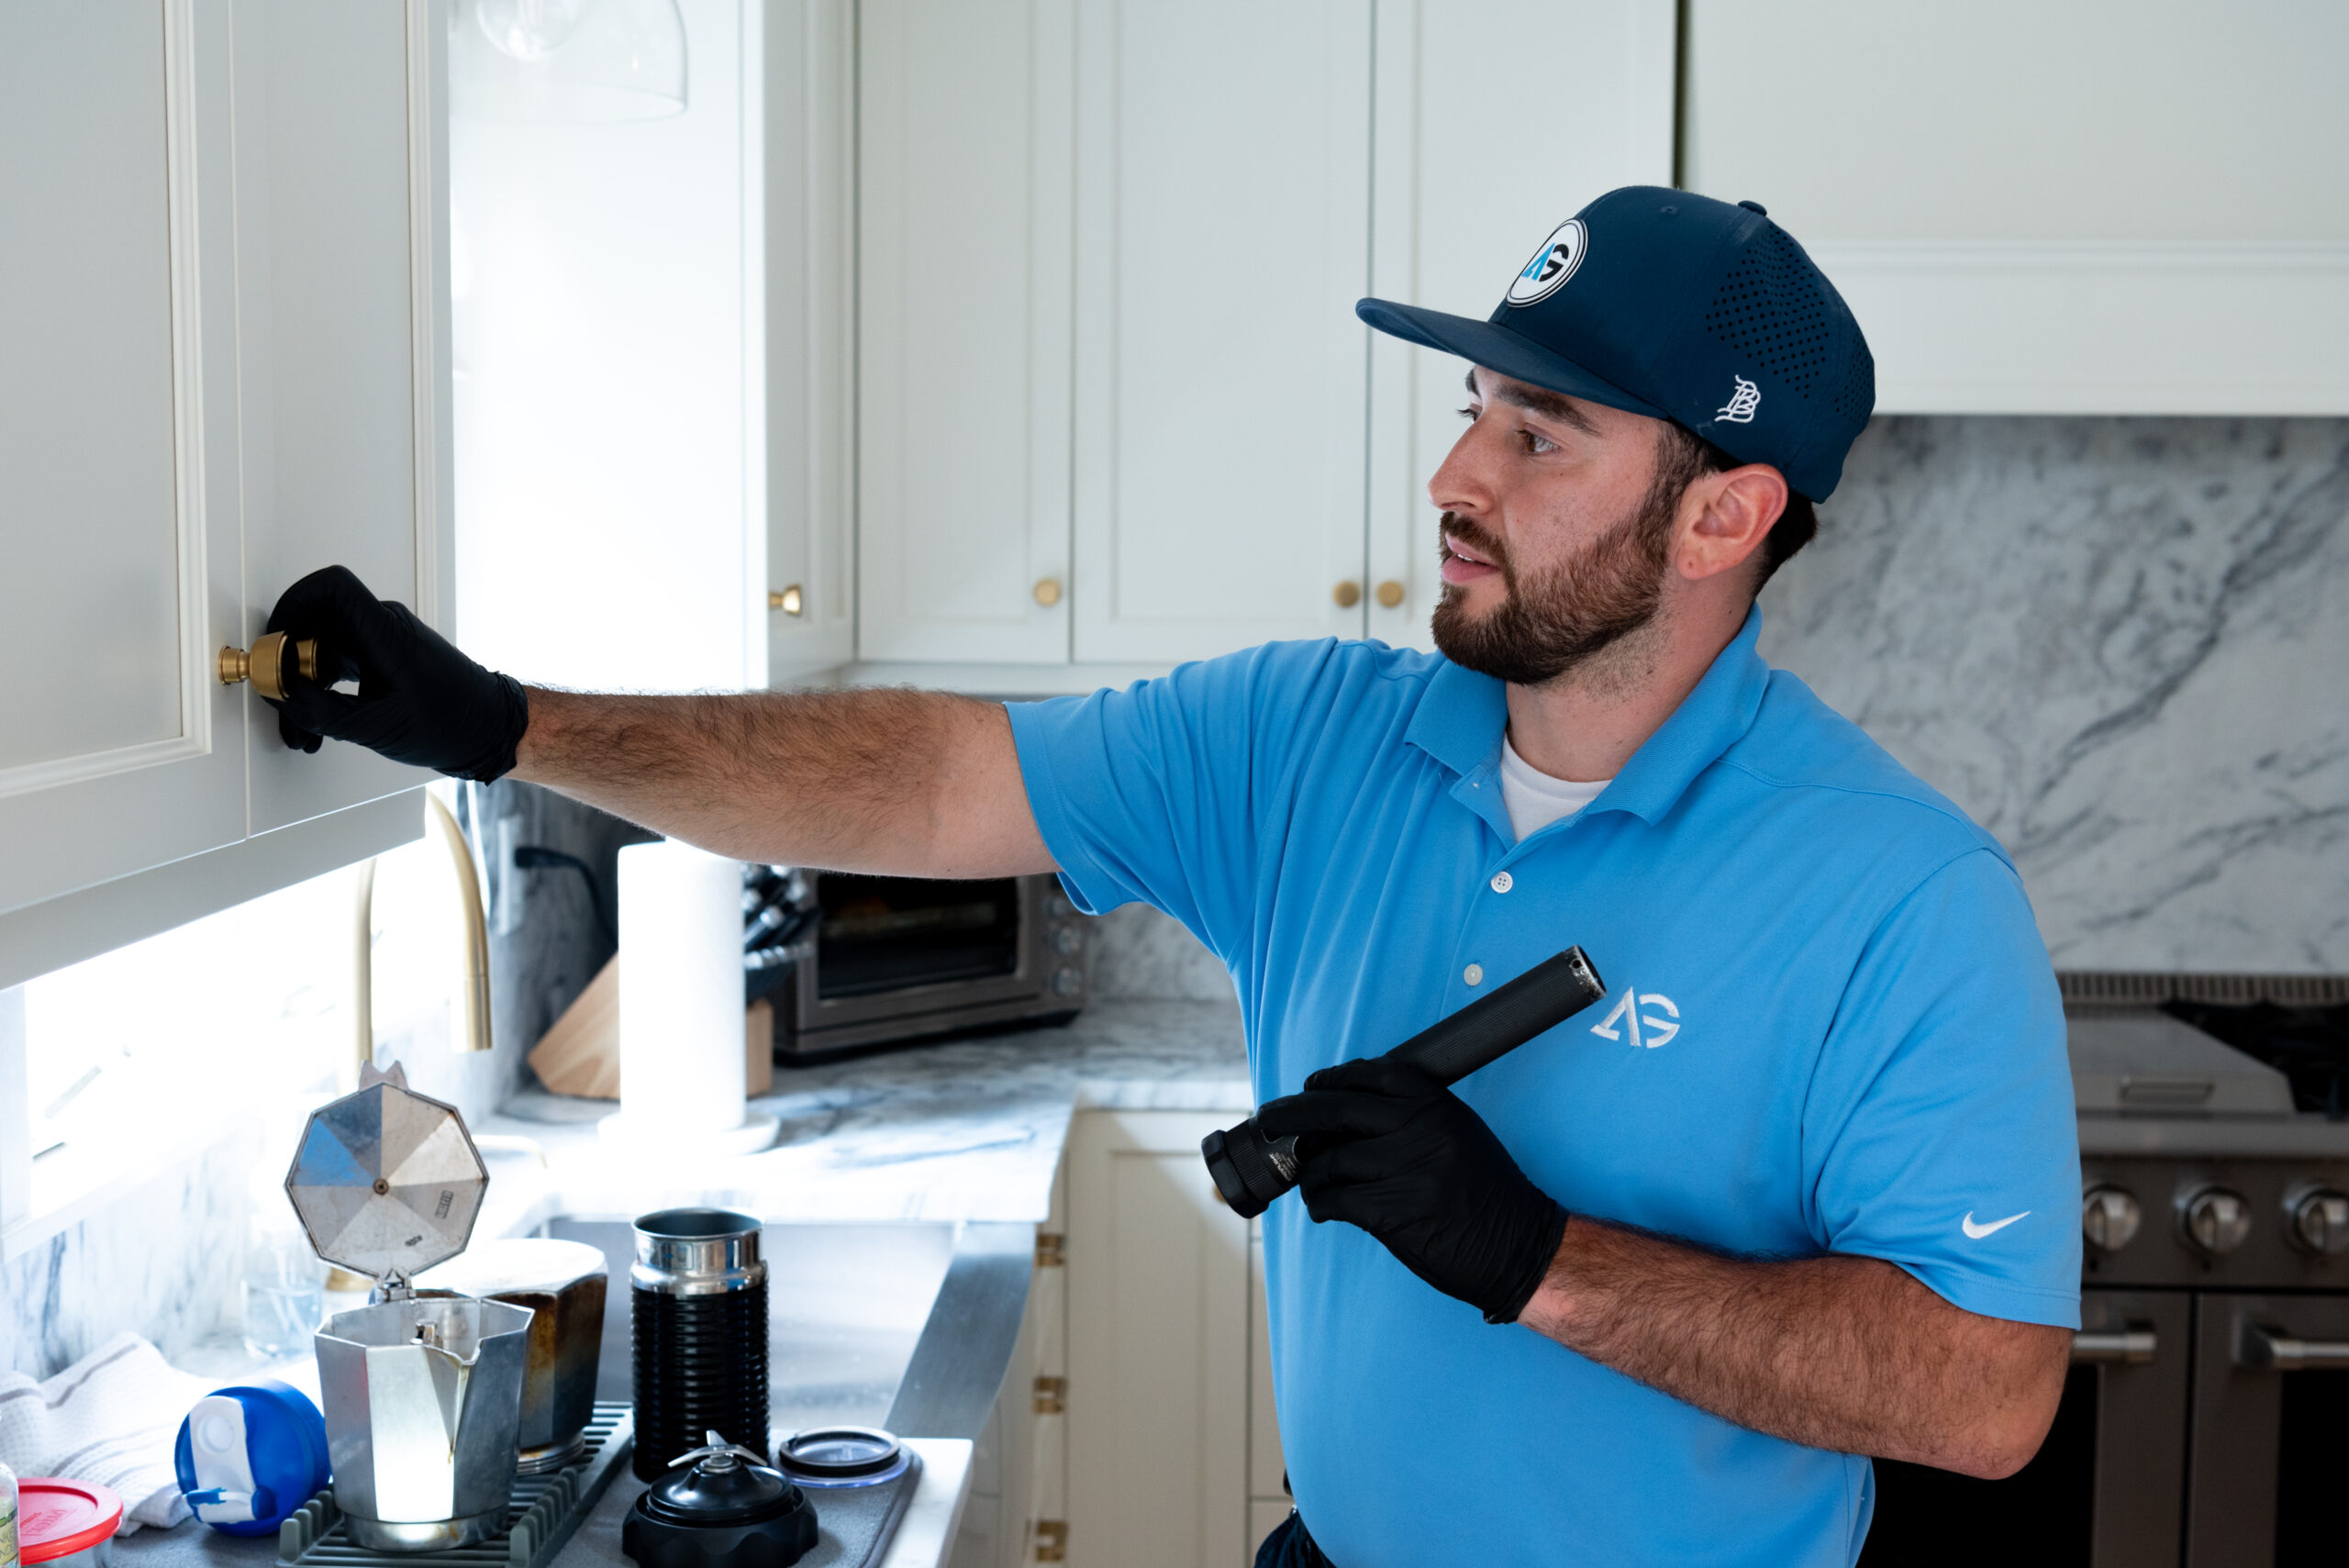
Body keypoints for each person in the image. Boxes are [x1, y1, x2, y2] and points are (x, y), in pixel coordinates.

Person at [267, 187, 2080, 1567]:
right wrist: (513, 724)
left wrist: (1534, 1260)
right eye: (1471, 407)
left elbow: (1984, 1395)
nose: (1452, 472)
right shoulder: (1314, 742)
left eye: (1538, 435)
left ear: (1719, 514)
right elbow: (919, 780)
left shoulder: (1900, 898)